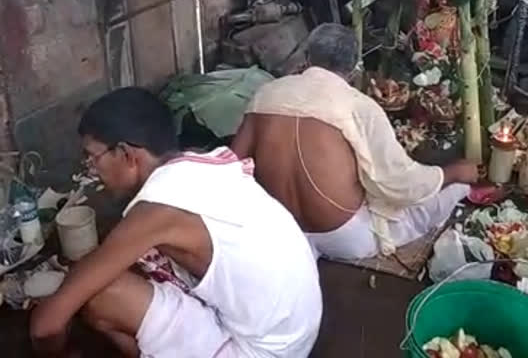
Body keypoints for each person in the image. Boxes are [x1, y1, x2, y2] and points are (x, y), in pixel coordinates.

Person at [30, 88, 322, 358]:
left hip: (263, 351)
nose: (93, 171)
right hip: (294, 333)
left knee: (102, 296)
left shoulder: (158, 210)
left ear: (127, 154)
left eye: (94, 159)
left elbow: (46, 326)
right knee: (118, 271)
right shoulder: (198, 168)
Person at [232, 23, 478, 261]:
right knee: (438, 198)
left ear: (307, 56)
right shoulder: (359, 105)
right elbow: (401, 182)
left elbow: (232, 167)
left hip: (279, 230)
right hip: (343, 237)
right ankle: (470, 188)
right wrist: (452, 173)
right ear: (352, 68)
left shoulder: (266, 93)